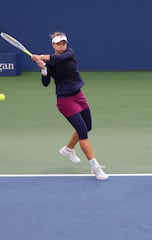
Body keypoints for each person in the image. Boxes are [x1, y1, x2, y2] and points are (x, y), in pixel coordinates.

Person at [31, 32, 108, 181]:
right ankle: (95, 167)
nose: (62, 46)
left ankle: (68, 149)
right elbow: (45, 83)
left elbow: (60, 58)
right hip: (65, 101)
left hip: (79, 96)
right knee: (83, 132)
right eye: (58, 43)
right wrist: (43, 68)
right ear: (53, 45)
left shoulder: (69, 53)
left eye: (63, 43)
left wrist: (41, 57)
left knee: (87, 126)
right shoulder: (50, 62)